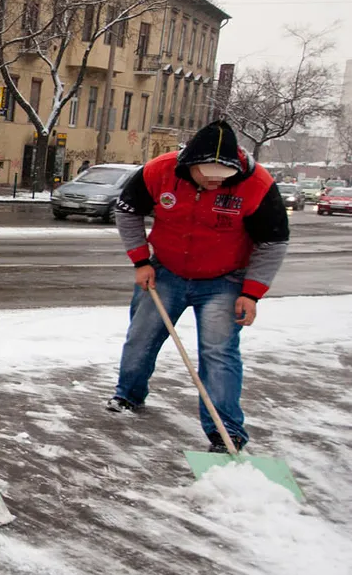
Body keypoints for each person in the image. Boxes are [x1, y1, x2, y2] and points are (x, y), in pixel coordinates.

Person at [108, 119, 289, 453]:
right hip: (165, 271)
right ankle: (127, 395)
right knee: (141, 338)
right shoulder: (158, 171)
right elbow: (127, 211)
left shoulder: (258, 184)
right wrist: (140, 260)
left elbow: (273, 242)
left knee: (219, 353)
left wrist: (252, 292)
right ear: (188, 164)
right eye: (205, 174)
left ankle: (225, 431)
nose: (211, 182)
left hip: (225, 279)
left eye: (221, 178)